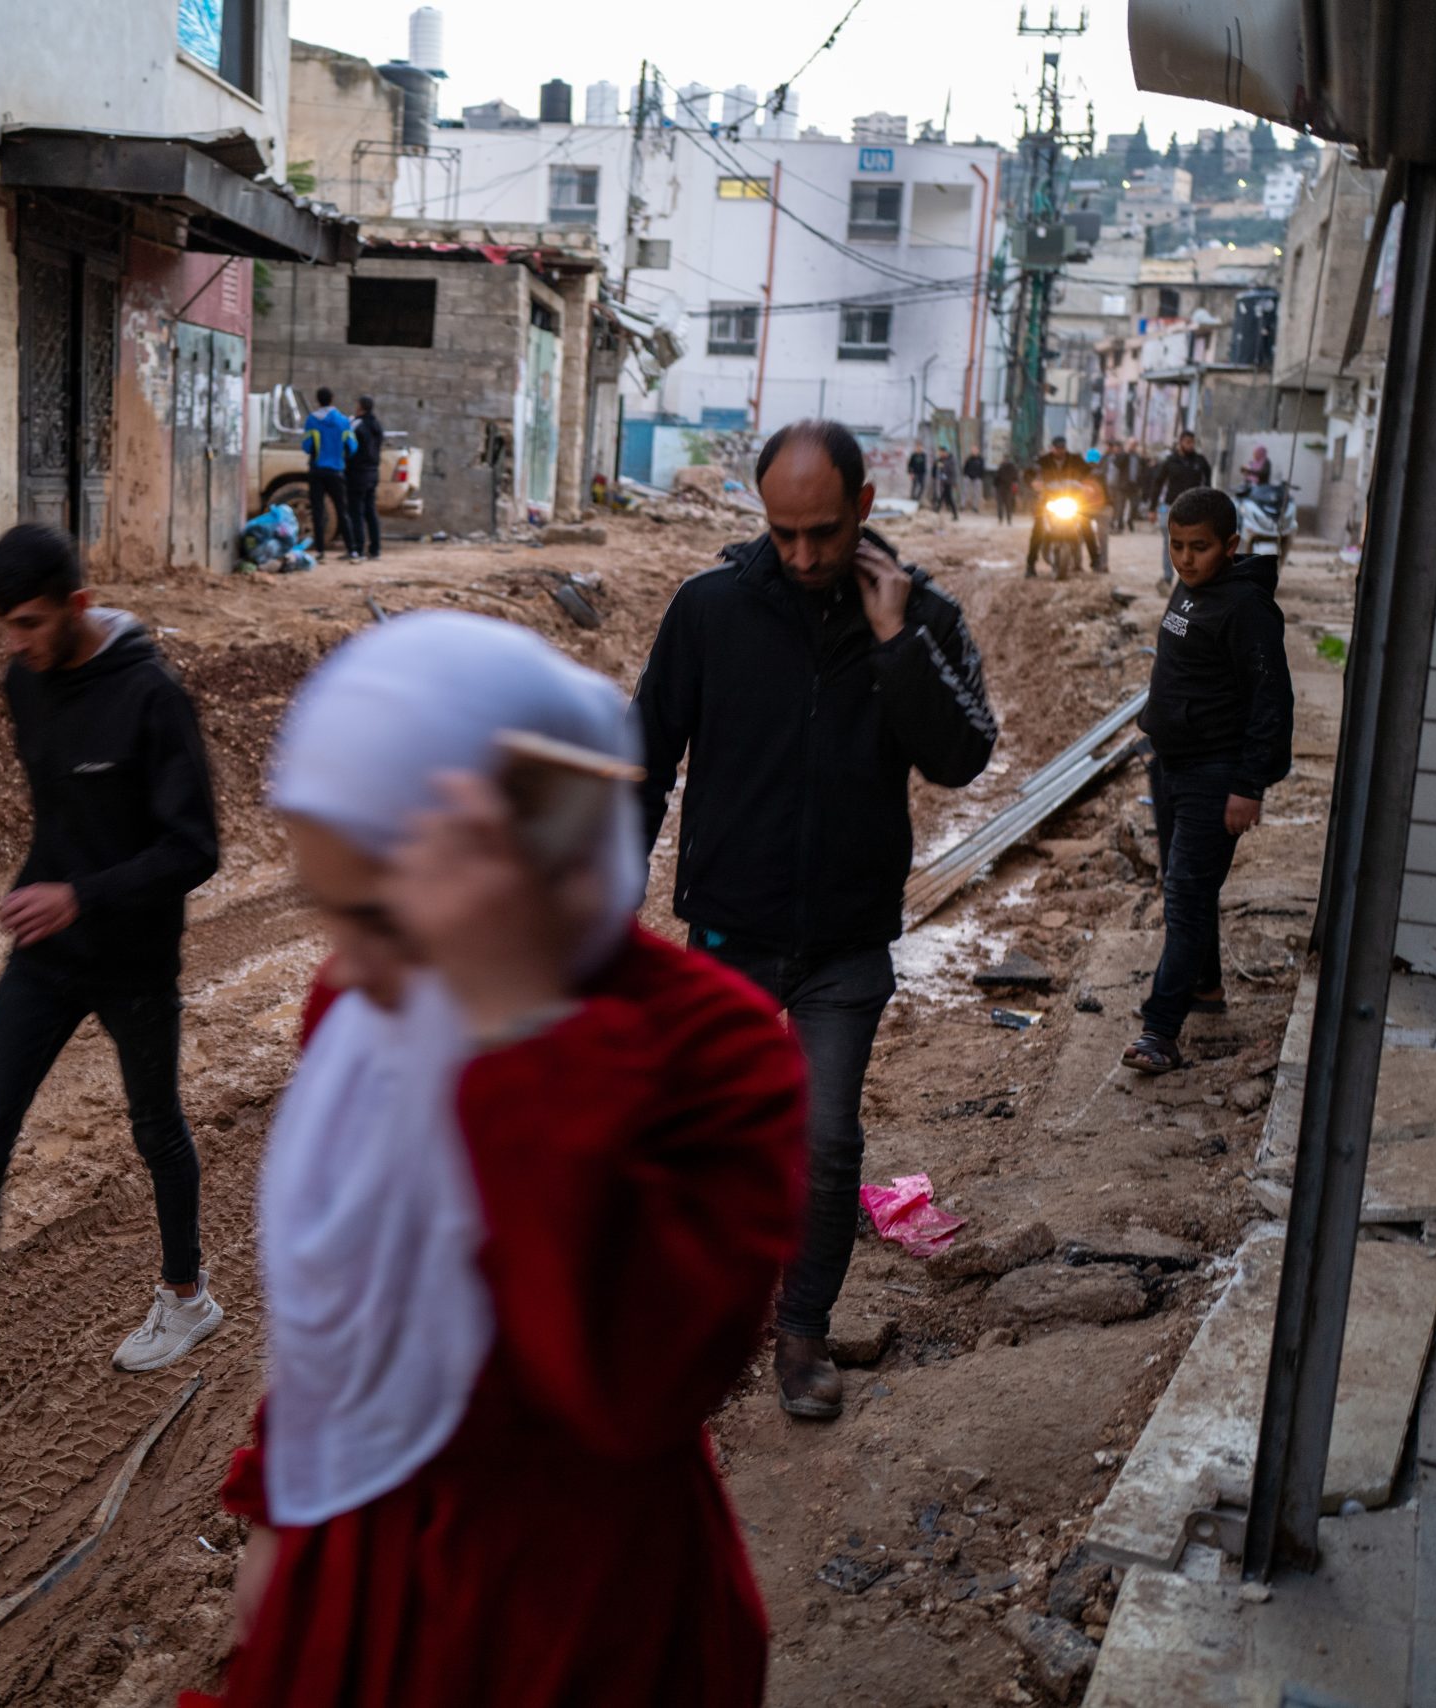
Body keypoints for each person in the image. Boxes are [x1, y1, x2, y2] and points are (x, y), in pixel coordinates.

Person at [191, 613, 807, 1707]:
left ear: (527, 851)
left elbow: (634, 1387)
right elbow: (345, 1313)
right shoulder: (367, 1007)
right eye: (329, 913)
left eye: (380, 915)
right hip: (362, 1568)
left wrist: (515, 1026)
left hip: (570, 1616)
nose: (349, 966)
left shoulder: (715, 1048)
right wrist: (278, 1514)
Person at [632, 420, 997, 1421]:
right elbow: (644, 756)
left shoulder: (922, 613)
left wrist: (895, 641)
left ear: (863, 506)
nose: (800, 556)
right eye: (782, 532)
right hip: (729, 930)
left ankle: (801, 1335)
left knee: (827, 1145)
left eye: (823, 533)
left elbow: (964, 755)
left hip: (845, 937)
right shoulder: (709, 608)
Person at [0, 524, 223, 1456]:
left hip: (134, 956)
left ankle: (187, 1298)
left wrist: (81, 894)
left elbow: (196, 849)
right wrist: (42, 887)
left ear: (79, 604)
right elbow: (64, 814)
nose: (13, 642)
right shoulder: (24, 682)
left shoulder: (153, 697)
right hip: (47, 955)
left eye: (28, 622)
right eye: (4, 625)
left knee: (156, 1127)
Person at [1123, 490, 1294, 1075]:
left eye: (1199, 547)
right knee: (1187, 891)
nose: (1185, 559)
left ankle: (1160, 1032)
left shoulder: (1248, 609)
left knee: (1187, 899)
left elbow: (1272, 702)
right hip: (1172, 764)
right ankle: (1205, 988)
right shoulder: (1190, 588)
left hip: (1215, 775)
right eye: (1176, 545)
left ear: (1230, 545)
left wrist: (1250, 785)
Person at [1026, 436, 1099, 577]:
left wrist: (1088, 485)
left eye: (1062, 448)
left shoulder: (1075, 460)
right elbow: (1029, 474)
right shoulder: (1042, 461)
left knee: (1086, 524)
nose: (1060, 451)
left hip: (1071, 500)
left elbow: (1088, 473)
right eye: (1057, 448)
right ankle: (1030, 565)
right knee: (1038, 530)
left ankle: (1095, 561)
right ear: (1052, 448)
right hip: (1048, 501)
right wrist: (1033, 483)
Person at [301, 388, 357, 559]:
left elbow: (307, 446)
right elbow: (352, 447)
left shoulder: (312, 420)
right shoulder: (343, 421)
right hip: (336, 471)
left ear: (317, 400)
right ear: (332, 398)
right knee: (342, 510)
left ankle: (320, 552)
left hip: (317, 471)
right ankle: (352, 550)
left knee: (318, 510)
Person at [1153, 430, 1213, 590]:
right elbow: (1158, 483)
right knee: (1169, 542)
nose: (1190, 445)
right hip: (1171, 507)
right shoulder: (1170, 461)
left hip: (1193, 509)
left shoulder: (1200, 461)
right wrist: (1152, 508)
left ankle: (1189, 580)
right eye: (1187, 442)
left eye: (1192, 442)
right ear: (1180, 443)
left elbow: (1208, 484)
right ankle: (1167, 578)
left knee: (1192, 545)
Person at [345, 394, 385, 563]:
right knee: (370, 511)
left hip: (357, 473)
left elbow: (348, 444)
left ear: (360, 407)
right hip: (373, 472)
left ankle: (358, 549)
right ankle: (375, 549)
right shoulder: (377, 425)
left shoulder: (357, 424)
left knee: (356, 512)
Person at [994, 454, 1022, 524]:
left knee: (1002, 504)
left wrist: (996, 485)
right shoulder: (1012, 467)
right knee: (1007, 505)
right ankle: (1007, 519)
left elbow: (997, 477)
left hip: (1003, 488)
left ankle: (1002, 519)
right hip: (1007, 488)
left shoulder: (1002, 466)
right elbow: (1016, 478)